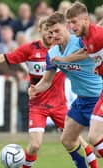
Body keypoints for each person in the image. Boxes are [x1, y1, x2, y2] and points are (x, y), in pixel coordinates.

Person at [0, 16, 98, 168]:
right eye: (47, 30)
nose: (50, 34)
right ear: (40, 31)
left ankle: (92, 165)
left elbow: (87, 47)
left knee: (76, 139)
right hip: (38, 105)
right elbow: (6, 57)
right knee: (34, 145)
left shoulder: (61, 49)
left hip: (59, 104)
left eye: (53, 31)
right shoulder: (30, 49)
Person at [28, 12, 102, 168]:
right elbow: (46, 81)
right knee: (67, 140)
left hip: (98, 97)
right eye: (51, 32)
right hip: (81, 100)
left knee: (96, 145)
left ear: (67, 27)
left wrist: (65, 60)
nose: (54, 35)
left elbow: (87, 50)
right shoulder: (52, 54)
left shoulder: (80, 41)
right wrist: (35, 89)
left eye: (57, 31)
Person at [52, 1, 103, 158]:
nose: (72, 26)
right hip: (94, 95)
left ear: (86, 19)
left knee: (94, 139)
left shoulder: (98, 35)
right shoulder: (86, 38)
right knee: (95, 145)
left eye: (74, 22)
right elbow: (86, 51)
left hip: (95, 94)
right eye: (69, 23)